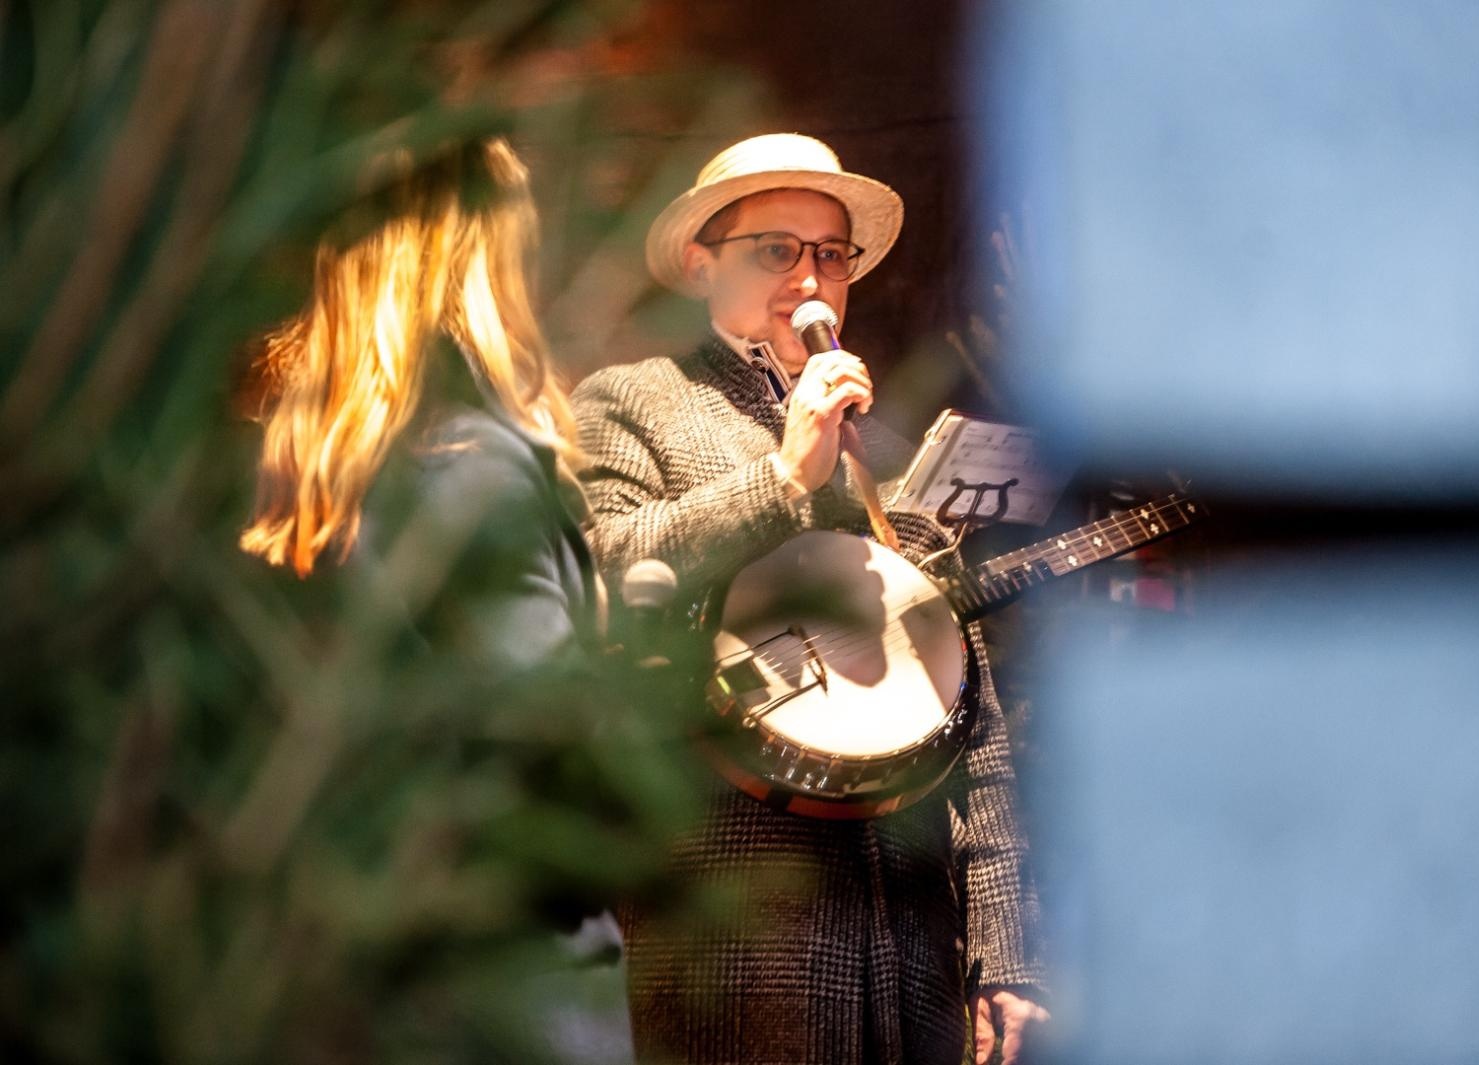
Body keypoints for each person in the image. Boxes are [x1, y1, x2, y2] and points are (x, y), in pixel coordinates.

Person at [572, 133, 1050, 1065]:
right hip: (733, 929)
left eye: (831, 254)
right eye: (775, 250)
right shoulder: (633, 400)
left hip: (911, 944)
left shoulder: (900, 452)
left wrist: (1008, 955)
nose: (811, 279)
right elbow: (599, 572)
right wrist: (783, 473)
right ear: (700, 266)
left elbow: (977, 720)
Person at [240, 136, 599, 668]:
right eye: (520, 247)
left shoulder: (309, 437)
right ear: (483, 262)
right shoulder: (468, 459)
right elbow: (541, 711)